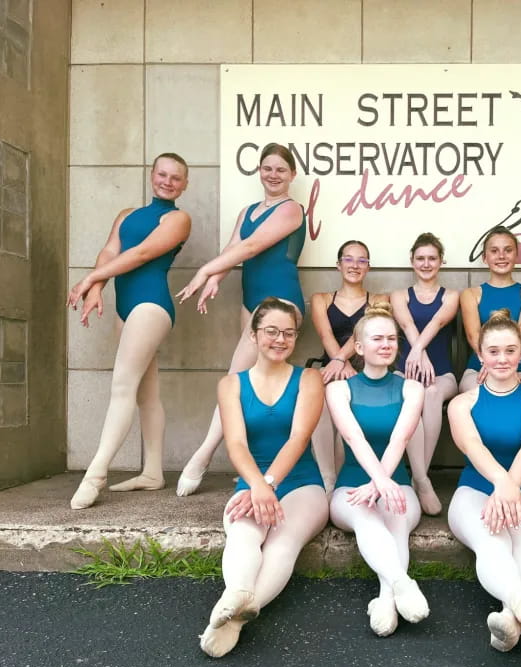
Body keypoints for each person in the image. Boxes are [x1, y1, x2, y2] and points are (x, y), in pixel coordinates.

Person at [174, 143, 306, 496]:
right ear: (259, 171)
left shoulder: (291, 209)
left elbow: (250, 249)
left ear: (292, 175)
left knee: (234, 381)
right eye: (267, 168)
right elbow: (233, 250)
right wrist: (215, 278)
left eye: (281, 169)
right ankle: (259, 464)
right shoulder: (247, 211)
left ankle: (201, 457)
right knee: (254, 385)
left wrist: (203, 271)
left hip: (280, 300)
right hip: (251, 301)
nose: (273, 174)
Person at [199, 298, 327, 657]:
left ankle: (235, 620)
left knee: (282, 542)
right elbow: (236, 442)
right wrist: (257, 485)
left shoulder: (309, 379)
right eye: (271, 331)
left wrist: (269, 484)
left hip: (301, 483)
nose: (279, 339)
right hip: (251, 482)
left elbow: (299, 437)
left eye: (288, 333)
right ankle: (237, 592)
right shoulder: (231, 385)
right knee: (243, 534)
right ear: (254, 335)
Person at [66, 153, 191, 509]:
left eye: (176, 178)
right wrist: (95, 288)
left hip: (151, 305)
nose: (168, 181)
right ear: (152, 175)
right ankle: (153, 472)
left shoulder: (178, 218)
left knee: (122, 384)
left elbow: (141, 254)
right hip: (125, 307)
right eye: (162, 174)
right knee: (145, 393)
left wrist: (90, 278)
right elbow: (110, 251)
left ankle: (96, 473)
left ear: (184, 184)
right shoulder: (126, 215)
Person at [447, 309, 521, 652]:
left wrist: (510, 487)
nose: (502, 358)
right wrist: (501, 484)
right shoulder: (461, 403)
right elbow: (472, 445)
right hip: (474, 490)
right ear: (480, 355)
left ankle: (510, 622)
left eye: (510, 350)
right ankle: (519, 600)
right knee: (492, 545)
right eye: (493, 351)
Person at [326, 303, 430, 637]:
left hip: (396, 484)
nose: (385, 344)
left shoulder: (412, 388)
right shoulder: (338, 389)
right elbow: (354, 439)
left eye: (391, 339)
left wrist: (382, 484)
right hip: (351, 489)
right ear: (358, 347)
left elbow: (400, 440)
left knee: (395, 519)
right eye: (376, 339)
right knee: (366, 516)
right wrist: (375, 483)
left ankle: (386, 599)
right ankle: (402, 583)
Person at [309, 240, 387, 492]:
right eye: (349, 259)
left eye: (362, 260)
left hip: (366, 369)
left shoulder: (378, 299)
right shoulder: (320, 299)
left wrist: (342, 361)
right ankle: (327, 477)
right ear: (338, 264)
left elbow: (365, 333)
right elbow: (325, 335)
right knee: (317, 401)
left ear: (368, 267)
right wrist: (340, 362)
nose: (355, 265)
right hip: (331, 366)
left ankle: (345, 476)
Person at [391, 233, 459, 516]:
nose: (426, 263)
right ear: (412, 261)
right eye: (420, 258)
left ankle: (420, 476)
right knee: (414, 396)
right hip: (402, 373)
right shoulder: (398, 295)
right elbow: (406, 324)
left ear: (441, 261)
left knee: (430, 392)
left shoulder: (452, 296)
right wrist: (419, 354)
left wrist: (418, 351)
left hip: (442, 374)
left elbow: (438, 321)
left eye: (432, 258)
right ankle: (422, 480)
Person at [459, 227, 521, 394]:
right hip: (479, 369)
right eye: (494, 251)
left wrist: (508, 368)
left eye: (508, 250)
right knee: (480, 389)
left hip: (518, 368)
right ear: (485, 257)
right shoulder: (470, 294)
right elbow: (473, 335)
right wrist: (489, 364)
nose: (501, 256)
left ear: (516, 255)